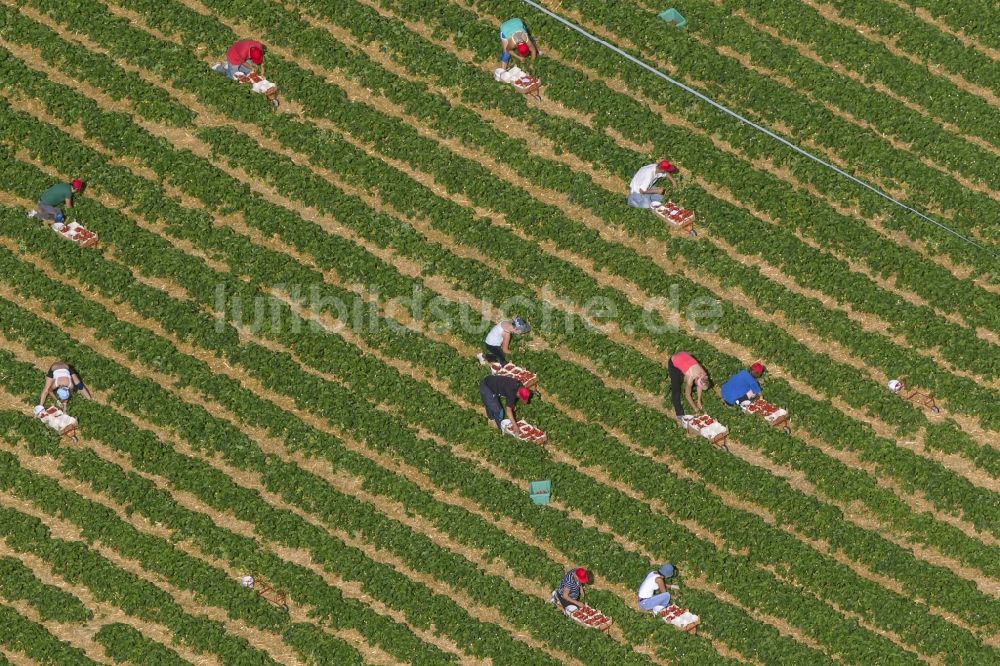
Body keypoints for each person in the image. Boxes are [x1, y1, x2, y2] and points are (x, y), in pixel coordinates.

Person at [667, 351, 709, 423]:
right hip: (674, 361)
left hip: (684, 355)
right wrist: (695, 408)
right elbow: (687, 395)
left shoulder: (703, 374)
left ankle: (681, 369)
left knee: (683, 375)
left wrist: (699, 400)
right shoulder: (690, 377)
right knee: (676, 389)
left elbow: (700, 386)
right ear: (696, 380)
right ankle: (680, 414)